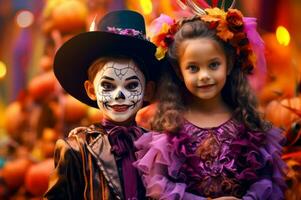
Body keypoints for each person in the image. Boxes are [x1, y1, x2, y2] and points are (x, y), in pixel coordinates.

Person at [134, 7, 286, 200]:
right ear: (180, 72)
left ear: (229, 64)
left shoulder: (247, 122)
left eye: (213, 65)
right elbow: (161, 188)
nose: (204, 76)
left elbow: (266, 180)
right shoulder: (170, 128)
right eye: (193, 68)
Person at [44, 10, 159, 200]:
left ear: (147, 90)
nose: (119, 95)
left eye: (131, 85)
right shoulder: (75, 149)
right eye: (107, 85)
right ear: (91, 90)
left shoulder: (159, 146)